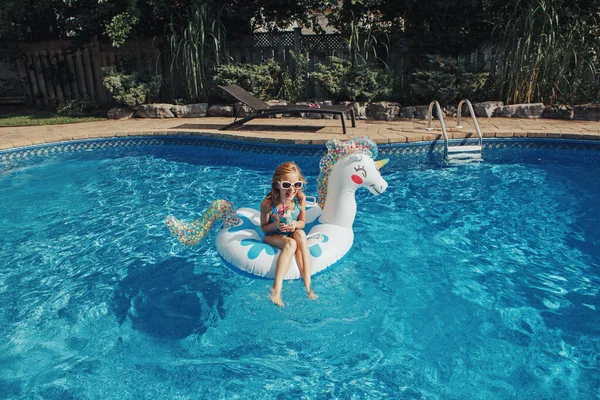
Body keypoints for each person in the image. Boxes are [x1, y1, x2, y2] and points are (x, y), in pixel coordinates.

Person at [260, 162, 318, 307]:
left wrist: (295, 224)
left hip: (292, 232)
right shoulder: (268, 204)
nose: (292, 189)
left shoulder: (300, 198)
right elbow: (264, 229)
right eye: (286, 185)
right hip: (272, 236)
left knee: (301, 235)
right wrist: (276, 224)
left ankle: (308, 286)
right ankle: (276, 290)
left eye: (296, 184)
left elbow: (302, 222)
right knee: (291, 243)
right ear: (277, 184)